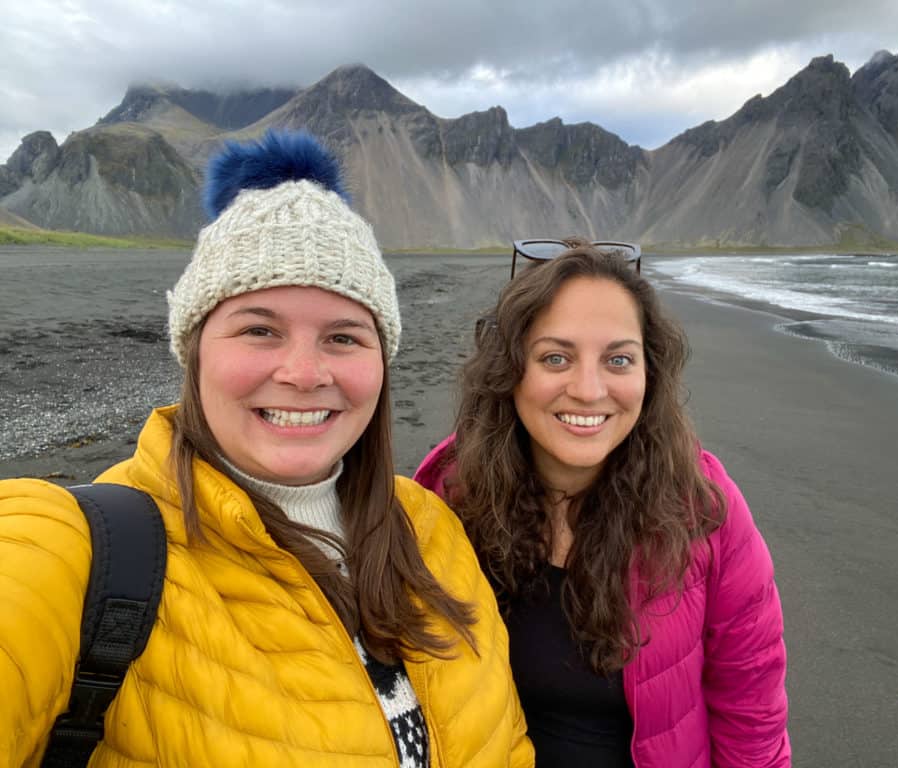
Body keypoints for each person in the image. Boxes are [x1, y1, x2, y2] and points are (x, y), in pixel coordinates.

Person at [0, 131, 531, 767]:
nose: (305, 373)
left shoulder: (432, 528)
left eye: (343, 337)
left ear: (382, 361)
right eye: (259, 329)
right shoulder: (80, 551)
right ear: (195, 350)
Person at [414, 242, 790, 768]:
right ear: (510, 369)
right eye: (555, 357)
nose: (589, 390)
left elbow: (752, 714)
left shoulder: (705, 509)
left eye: (618, 359)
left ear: (648, 373)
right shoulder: (448, 493)